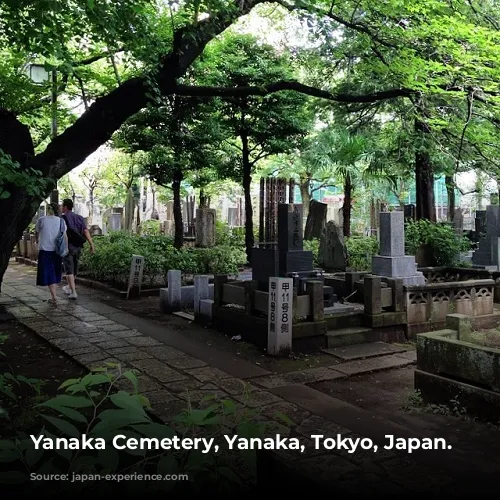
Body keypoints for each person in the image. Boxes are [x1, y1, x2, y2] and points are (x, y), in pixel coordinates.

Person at [61, 198, 95, 300]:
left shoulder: (62, 218)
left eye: (62, 206)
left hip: (68, 247)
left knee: (68, 270)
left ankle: (73, 291)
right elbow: (85, 231)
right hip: (78, 247)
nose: (62, 208)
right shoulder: (79, 218)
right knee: (75, 268)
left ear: (66, 207)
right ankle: (69, 287)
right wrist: (91, 244)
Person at [35, 202, 67, 304]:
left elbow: (37, 232)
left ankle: (54, 297)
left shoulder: (41, 220)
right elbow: (64, 236)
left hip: (45, 250)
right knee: (55, 272)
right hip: (57, 251)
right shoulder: (61, 221)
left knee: (49, 273)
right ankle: (54, 296)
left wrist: (36, 242)